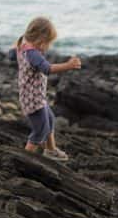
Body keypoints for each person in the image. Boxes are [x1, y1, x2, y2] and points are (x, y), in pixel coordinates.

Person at [8, 17, 81, 160]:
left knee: (50, 119)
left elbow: (11, 55)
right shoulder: (32, 54)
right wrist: (68, 65)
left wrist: (16, 47)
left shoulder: (23, 44)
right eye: (48, 43)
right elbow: (47, 69)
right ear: (40, 39)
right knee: (40, 130)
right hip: (33, 99)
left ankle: (51, 150)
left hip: (34, 96)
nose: (48, 47)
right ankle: (24, 159)